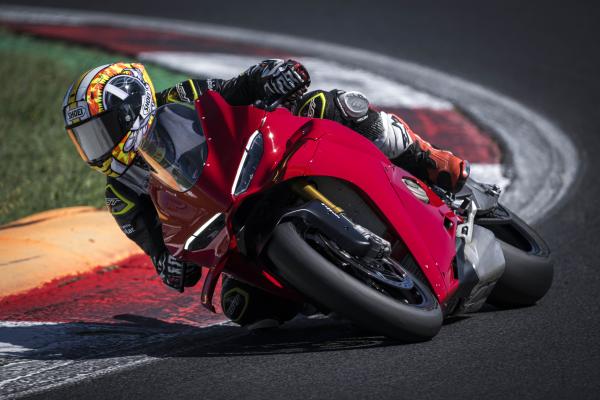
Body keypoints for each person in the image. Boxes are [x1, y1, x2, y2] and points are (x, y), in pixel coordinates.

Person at [63, 59, 469, 328]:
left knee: (333, 105)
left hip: (261, 164)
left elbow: (236, 91)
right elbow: (159, 248)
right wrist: (167, 265)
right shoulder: (121, 192)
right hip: (230, 226)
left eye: (101, 131)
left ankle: (426, 159)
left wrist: (271, 74)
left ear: (131, 107)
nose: (97, 148)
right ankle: (341, 288)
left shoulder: (180, 97)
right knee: (242, 308)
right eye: (87, 140)